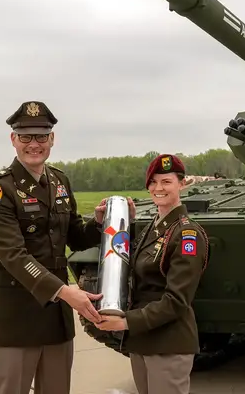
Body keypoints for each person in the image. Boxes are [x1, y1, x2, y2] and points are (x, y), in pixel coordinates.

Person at [0, 100, 136, 394]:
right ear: (13, 139)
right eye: (26, 136)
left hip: (54, 320)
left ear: (52, 139)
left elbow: (73, 235)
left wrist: (99, 224)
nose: (34, 144)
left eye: (41, 135)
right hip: (14, 319)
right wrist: (65, 292)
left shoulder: (59, 181)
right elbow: (12, 255)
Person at [94, 153, 210, 394]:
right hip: (143, 341)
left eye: (166, 182)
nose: (159, 188)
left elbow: (177, 301)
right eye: (153, 182)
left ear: (182, 183)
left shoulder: (188, 235)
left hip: (169, 344)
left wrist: (126, 322)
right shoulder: (151, 228)